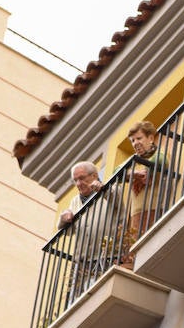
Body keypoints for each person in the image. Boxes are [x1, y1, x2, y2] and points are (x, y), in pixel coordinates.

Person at [60, 161, 125, 299]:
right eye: (75, 180)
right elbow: (68, 231)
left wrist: (103, 190)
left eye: (82, 178)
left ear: (95, 175)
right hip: (81, 264)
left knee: (104, 296)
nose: (78, 184)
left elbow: (118, 203)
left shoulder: (112, 188)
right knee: (77, 302)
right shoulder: (75, 201)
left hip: (107, 257)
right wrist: (63, 218)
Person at [125, 121, 167, 250]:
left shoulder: (158, 155)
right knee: (136, 249)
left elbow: (160, 160)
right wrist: (133, 173)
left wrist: (146, 171)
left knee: (152, 245)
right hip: (135, 214)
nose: (135, 143)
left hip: (154, 208)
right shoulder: (133, 163)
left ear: (150, 138)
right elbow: (116, 171)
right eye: (132, 141)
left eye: (139, 138)